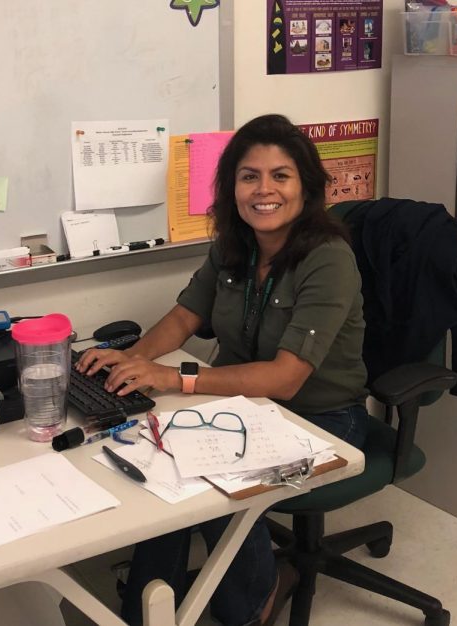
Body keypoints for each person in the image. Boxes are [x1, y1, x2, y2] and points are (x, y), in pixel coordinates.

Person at [75, 114, 370, 626]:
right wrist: (135, 359)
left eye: (281, 175)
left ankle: (252, 603)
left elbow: (285, 378)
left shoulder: (328, 258)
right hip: (244, 406)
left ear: (307, 186)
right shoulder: (236, 246)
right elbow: (186, 315)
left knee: (213, 472)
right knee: (158, 457)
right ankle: (147, 608)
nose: (264, 190)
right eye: (249, 176)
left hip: (321, 417)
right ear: (232, 185)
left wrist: (175, 379)